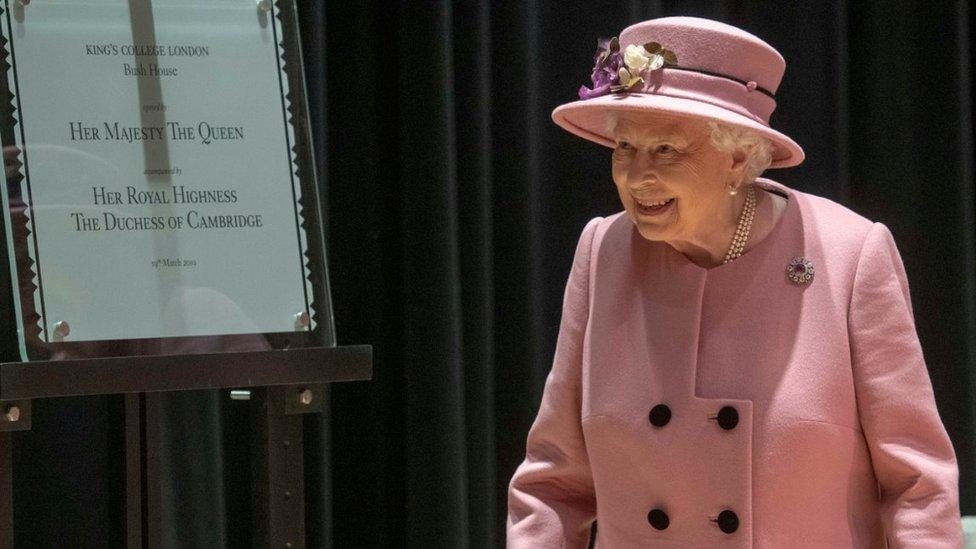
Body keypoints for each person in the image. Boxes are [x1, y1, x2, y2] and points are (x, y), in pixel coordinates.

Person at [506, 16, 963, 548]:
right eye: (624, 148)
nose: (635, 177)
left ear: (739, 157)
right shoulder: (603, 252)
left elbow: (918, 487)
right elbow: (554, 482)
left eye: (666, 151)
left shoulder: (849, 256)